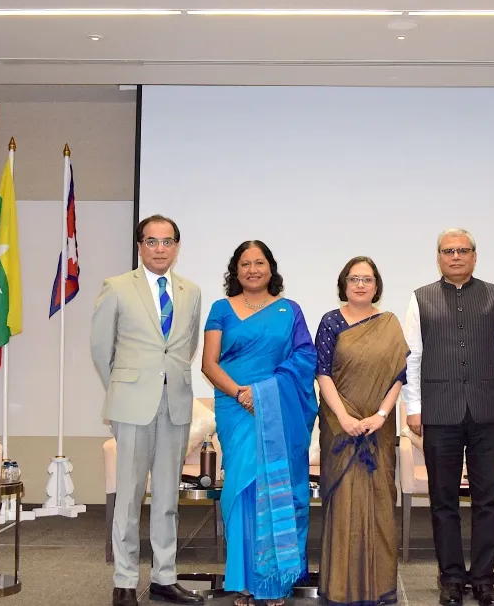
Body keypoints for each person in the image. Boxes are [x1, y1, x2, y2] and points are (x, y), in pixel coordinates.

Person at [403, 228, 494, 606]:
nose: (456, 256)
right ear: (439, 256)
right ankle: (451, 578)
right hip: (439, 411)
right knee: (443, 501)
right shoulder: (420, 298)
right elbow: (412, 357)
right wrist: (414, 407)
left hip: (488, 411)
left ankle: (483, 579)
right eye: (448, 251)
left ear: (474, 255)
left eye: (463, 250)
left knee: (488, 500)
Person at [91, 215, 204, 606]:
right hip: (132, 405)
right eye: (152, 241)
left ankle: (164, 578)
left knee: (168, 497)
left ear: (177, 246)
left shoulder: (191, 291)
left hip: (176, 404)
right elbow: (100, 348)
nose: (160, 249)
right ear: (140, 246)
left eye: (167, 241)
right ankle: (124, 581)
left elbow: (186, 348)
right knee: (129, 497)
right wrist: (124, 388)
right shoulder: (117, 287)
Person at [201, 240, 318, 606]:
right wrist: (242, 394)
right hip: (235, 408)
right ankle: (246, 581)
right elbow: (209, 364)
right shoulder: (221, 309)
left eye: (260, 262)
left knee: (275, 488)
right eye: (245, 263)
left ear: (271, 268)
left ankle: (274, 583)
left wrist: (264, 392)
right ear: (235, 271)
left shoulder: (289, 310)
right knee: (241, 488)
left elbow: (305, 357)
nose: (253, 269)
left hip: (276, 409)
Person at [314, 256, 408, 606]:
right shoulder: (331, 322)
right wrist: (344, 418)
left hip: (378, 428)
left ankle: (378, 587)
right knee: (342, 504)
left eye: (367, 279)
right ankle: (340, 588)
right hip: (340, 427)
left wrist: (381, 415)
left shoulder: (389, 323)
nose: (360, 285)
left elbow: (399, 375)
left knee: (379, 502)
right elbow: (322, 372)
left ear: (376, 286)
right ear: (344, 284)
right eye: (354, 279)